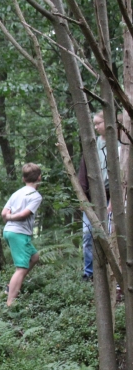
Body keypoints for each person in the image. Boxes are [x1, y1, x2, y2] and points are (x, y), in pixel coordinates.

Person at [2, 163, 43, 306]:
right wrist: (11, 217)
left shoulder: (16, 193)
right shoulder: (36, 196)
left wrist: (8, 217)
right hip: (18, 233)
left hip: (9, 231)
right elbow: (24, 215)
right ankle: (10, 303)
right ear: (39, 177)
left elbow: (3, 213)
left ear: (23, 179)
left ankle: (12, 285)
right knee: (21, 269)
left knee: (34, 257)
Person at [77, 113, 110, 281]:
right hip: (92, 196)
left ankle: (111, 271)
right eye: (94, 124)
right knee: (88, 233)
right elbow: (83, 173)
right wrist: (82, 198)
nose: (96, 127)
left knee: (110, 232)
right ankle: (89, 273)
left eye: (99, 123)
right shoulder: (92, 144)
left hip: (112, 197)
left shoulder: (120, 144)